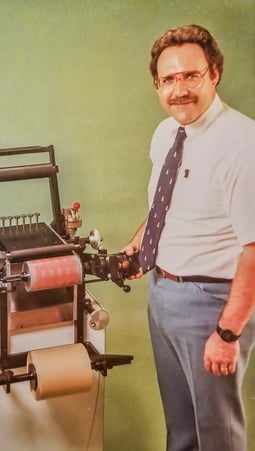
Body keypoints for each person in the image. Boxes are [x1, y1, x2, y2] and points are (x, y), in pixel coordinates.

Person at [124, 24, 255, 451]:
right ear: (157, 85)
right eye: (168, 79)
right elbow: (167, 206)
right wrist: (140, 244)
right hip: (163, 295)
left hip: (212, 305)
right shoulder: (166, 133)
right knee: (180, 430)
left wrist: (228, 333)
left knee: (217, 435)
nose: (179, 89)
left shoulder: (242, 144)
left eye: (190, 76)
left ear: (214, 73)